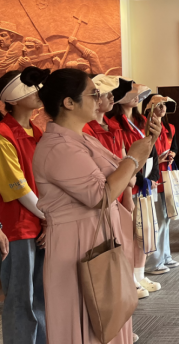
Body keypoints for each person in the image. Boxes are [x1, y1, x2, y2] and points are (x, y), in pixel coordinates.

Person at [32, 68, 160, 344]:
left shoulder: (83, 139)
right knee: (85, 320)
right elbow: (100, 195)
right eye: (93, 94)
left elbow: (123, 175)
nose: (100, 98)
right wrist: (133, 159)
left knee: (107, 316)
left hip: (95, 235)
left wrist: (147, 143)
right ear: (69, 102)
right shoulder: (58, 147)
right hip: (76, 244)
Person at [0, 67, 47, 343]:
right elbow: (18, 188)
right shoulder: (4, 134)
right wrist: (48, 217)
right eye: (31, 87)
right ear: (13, 98)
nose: (39, 92)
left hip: (40, 223)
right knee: (21, 300)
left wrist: (47, 220)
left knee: (41, 297)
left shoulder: (36, 131)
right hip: (18, 228)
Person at [106, 83, 162, 297]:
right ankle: (131, 276)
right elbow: (126, 159)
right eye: (131, 92)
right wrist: (137, 181)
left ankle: (140, 273)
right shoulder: (115, 123)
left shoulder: (141, 121)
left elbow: (151, 150)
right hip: (130, 183)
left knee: (144, 231)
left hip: (144, 182)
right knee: (129, 234)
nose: (137, 96)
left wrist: (153, 177)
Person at [143, 95, 179, 275]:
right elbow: (144, 152)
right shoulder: (144, 126)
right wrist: (158, 158)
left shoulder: (169, 127)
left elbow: (175, 147)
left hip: (167, 176)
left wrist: (171, 154)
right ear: (149, 107)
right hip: (152, 177)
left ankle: (165, 255)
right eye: (158, 105)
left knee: (165, 218)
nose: (163, 108)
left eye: (164, 105)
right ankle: (153, 262)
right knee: (155, 221)